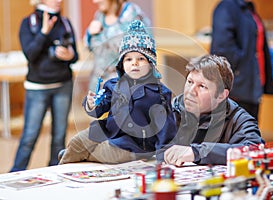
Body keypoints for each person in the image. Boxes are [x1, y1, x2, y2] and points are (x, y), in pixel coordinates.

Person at [59, 20, 176, 164]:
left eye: (141, 58)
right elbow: (99, 111)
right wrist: (92, 104)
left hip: (134, 145)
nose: (134, 63)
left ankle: (77, 155)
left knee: (105, 153)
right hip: (108, 132)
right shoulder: (113, 85)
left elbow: (165, 127)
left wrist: (163, 153)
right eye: (128, 59)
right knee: (77, 141)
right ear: (122, 64)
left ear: (151, 64)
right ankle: (68, 161)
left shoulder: (158, 93)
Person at [10, 0, 78, 172]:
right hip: (37, 88)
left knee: (59, 137)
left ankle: (55, 174)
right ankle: (14, 176)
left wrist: (69, 54)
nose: (59, 1)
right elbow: (31, 54)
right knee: (29, 137)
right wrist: (43, 32)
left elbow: (75, 55)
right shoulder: (28, 23)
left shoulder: (65, 22)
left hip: (63, 85)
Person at [159, 54, 264, 166]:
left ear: (221, 95)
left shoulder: (239, 120)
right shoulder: (169, 112)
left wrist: (197, 152)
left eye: (202, 86)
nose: (191, 91)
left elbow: (255, 151)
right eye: (190, 82)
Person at [210, 0, 273, 120]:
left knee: (251, 131)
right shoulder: (226, 8)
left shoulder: (248, 7)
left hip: (251, 86)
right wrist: (239, 73)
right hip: (237, 88)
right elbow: (223, 50)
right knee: (236, 134)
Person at [84, 0, 151, 90]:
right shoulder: (99, 16)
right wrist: (89, 33)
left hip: (124, 89)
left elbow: (146, 51)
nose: (95, 1)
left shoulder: (132, 14)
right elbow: (91, 47)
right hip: (97, 87)